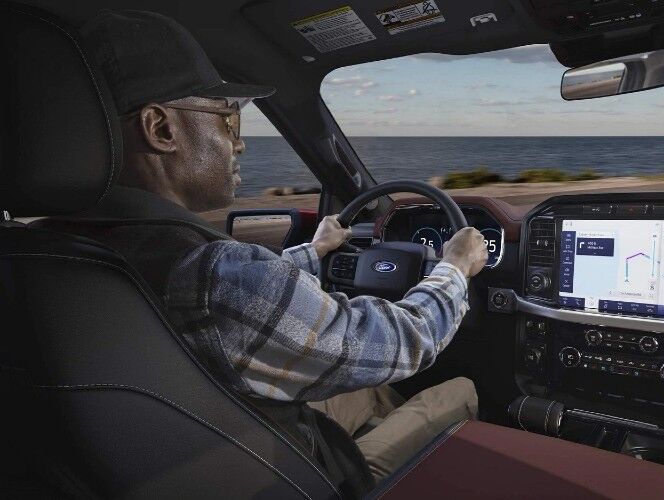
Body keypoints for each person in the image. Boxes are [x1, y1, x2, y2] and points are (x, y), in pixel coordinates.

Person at [37, 9, 488, 490]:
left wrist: (314, 251)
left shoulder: (46, 252)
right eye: (228, 119)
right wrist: (455, 269)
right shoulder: (217, 274)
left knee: (373, 389)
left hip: (186, 458)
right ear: (160, 129)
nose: (241, 144)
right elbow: (404, 340)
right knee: (460, 390)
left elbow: (238, 303)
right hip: (293, 476)